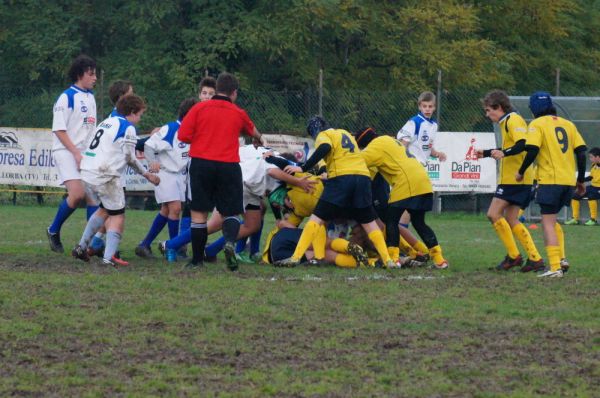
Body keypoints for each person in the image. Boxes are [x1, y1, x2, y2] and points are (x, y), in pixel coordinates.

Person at [277, 116, 394, 268]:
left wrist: (303, 168)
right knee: (369, 223)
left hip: (342, 178)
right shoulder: (344, 133)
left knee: (316, 219)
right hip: (363, 178)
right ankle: (388, 260)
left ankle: (295, 257)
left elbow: (325, 147)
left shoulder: (324, 135)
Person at [178, 72, 263, 270]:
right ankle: (230, 244)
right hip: (228, 166)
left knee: (199, 213)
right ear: (234, 93)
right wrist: (261, 138)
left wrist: (201, 139)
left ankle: (197, 261)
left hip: (201, 163)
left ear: (217, 89)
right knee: (231, 211)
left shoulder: (199, 108)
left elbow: (183, 135)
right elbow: (253, 131)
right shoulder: (238, 112)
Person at [71, 95, 160, 266]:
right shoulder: (127, 127)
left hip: (88, 171)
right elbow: (130, 158)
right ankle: (109, 257)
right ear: (132, 112)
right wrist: (147, 175)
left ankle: (82, 247)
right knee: (118, 215)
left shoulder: (107, 121)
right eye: (140, 114)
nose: (139, 119)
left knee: (104, 210)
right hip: (105, 174)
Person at [355, 127, 449, 269]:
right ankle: (440, 260)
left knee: (391, 220)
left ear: (364, 144)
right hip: (423, 180)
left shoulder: (375, 146)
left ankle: (394, 259)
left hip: (406, 183)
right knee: (419, 223)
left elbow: (356, 163)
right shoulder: (391, 140)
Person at [517, 92, 587, 278]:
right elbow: (581, 153)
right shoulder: (568, 124)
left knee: (547, 223)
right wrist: (580, 179)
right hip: (567, 181)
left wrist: (522, 171)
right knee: (553, 221)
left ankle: (555, 267)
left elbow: (532, 150)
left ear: (534, 109)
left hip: (550, 179)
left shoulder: (537, 124)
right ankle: (561, 259)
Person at [476, 90, 544, 272]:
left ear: (498, 107)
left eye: (489, 109)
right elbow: (511, 147)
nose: (487, 114)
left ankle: (514, 256)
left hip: (515, 179)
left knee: (493, 214)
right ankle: (535, 259)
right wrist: (488, 153)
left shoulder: (513, 120)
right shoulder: (506, 122)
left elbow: (523, 144)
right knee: (512, 218)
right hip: (514, 178)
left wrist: (504, 153)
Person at [46, 55, 98, 253]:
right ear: (79, 75)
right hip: (65, 150)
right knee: (77, 195)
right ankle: (53, 230)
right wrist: (76, 153)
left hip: (84, 153)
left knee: (93, 197)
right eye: (91, 74)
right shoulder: (66, 97)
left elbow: (91, 130)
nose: (94, 78)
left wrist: (92, 153)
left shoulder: (91, 97)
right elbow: (59, 130)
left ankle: (89, 245)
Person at [134, 97, 198, 257]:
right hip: (166, 173)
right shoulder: (170, 129)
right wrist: (152, 161)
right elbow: (148, 145)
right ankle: (172, 247)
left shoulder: (192, 131)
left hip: (180, 176)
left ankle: (145, 244)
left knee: (166, 210)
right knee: (175, 209)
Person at [87, 79, 135, 256]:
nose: (134, 96)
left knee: (109, 211)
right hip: (110, 172)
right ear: (122, 97)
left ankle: (94, 244)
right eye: (131, 93)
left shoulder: (113, 117)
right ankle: (106, 251)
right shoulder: (119, 120)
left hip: (108, 170)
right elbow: (128, 152)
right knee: (114, 213)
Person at [564, 147, 600, 226]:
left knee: (591, 196)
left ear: (597, 157)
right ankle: (575, 219)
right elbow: (591, 177)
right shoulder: (594, 165)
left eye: (591, 157)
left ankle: (593, 219)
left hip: (598, 189)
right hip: (593, 187)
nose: (590, 159)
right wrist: (579, 181)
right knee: (575, 196)